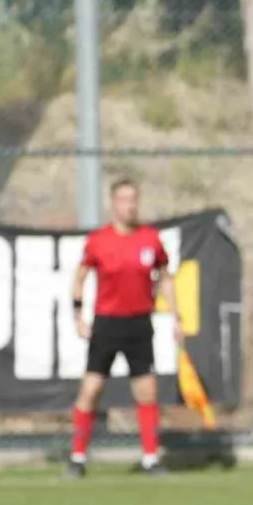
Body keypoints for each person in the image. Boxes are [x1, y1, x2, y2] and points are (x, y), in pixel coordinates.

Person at [67, 178, 181, 478]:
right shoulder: (99, 241)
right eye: (124, 200)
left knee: (147, 392)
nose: (130, 206)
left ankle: (151, 458)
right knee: (91, 389)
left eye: (134, 199)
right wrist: (78, 316)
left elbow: (165, 278)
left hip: (139, 323)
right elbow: (79, 278)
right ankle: (77, 458)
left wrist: (176, 317)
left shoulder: (150, 239)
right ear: (114, 203)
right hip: (107, 323)